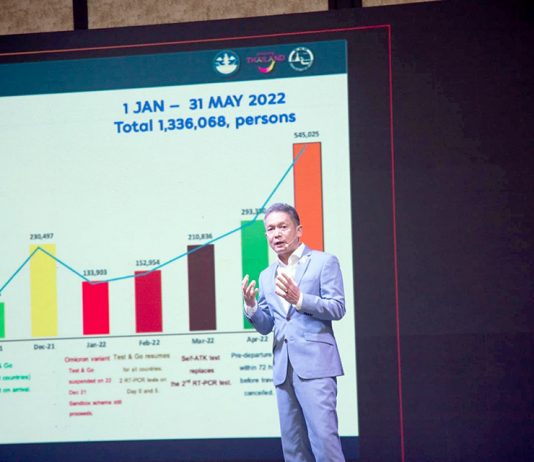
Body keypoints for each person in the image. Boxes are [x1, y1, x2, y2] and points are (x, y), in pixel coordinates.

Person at [242, 202, 346, 462]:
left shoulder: (324, 262)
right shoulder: (266, 275)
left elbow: (337, 307)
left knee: (324, 443)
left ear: (298, 230)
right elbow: (267, 326)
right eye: (270, 229)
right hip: (283, 369)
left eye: (282, 227)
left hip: (316, 367)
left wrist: (300, 300)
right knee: (293, 448)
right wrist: (252, 307)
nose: (276, 234)